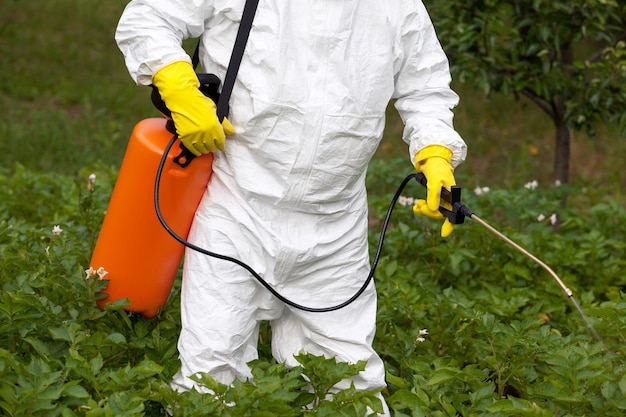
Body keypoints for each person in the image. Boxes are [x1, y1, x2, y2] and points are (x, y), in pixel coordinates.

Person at [116, 0, 467, 414]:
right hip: (236, 206)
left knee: (350, 389)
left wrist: (436, 154)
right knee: (210, 379)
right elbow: (148, 16)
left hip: (335, 226)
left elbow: (424, 86)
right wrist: (178, 85)